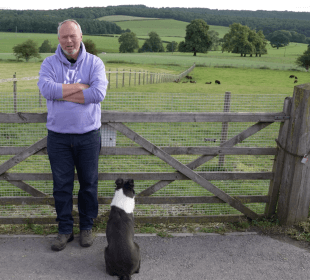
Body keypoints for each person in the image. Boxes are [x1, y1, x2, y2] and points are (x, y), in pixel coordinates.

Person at [37, 19, 108, 251]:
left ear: (81, 36)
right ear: (58, 39)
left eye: (72, 36)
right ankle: (65, 230)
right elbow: (46, 89)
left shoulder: (94, 62)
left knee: (88, 184)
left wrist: (61, 93)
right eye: (64, 37)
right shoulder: (49, 63)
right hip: (58, 137)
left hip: (88, 135)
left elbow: (98, 93)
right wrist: (81, 87)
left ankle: (86, 227)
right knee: (61, 186)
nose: (69, 41)